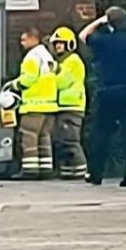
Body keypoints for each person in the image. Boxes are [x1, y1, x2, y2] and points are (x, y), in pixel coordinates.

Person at [79, 6, 126, 187]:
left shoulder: (104, 41)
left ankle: (96, 174)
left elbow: (82, 35)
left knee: (101, 134)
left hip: (108, 91)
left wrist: (100, 21)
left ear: (109, 23)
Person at [4, 28, 58, 179]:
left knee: (29, 137)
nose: (22, 43)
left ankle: (30, 170)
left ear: (33, 39)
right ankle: (46, 169)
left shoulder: (32, 57)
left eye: (24, 39)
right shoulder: (47, 56)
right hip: (49, 105)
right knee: (44, 138)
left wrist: (13, 85)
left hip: (34, 105)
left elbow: (28, 79)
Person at [50, 26, 88, 181]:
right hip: (63, 106)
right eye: (56, 43)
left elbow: (62, 82)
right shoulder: (64, 62)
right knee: (62, 140)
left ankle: (80, 170)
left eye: (61, 43)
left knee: (70, 140)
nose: (58, 46)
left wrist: (50, 75)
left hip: (71, 107)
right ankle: (68, 171)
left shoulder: (73, 61)